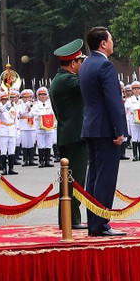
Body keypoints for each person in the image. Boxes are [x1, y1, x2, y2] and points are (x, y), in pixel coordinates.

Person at [79, 27, 129, 236]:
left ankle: (93, 222)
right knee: (106, 177)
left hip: (91, 126)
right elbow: (113, 101)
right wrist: (120, 130)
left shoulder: (85, 65)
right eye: (111, 40)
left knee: (94, 177)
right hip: (106, 129)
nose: (113, 43)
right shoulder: (105, 66)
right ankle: (101, 223)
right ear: (103, 44)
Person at [50, 39, 88, 231]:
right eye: (81, 62)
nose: (83, 65)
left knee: (69, 179)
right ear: (73, 64)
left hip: (69, 136)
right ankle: (71, 218)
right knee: (76, 180)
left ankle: (67, 217)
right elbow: (88, 82)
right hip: (75, 137)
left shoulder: (61, 79)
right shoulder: (67, 80)